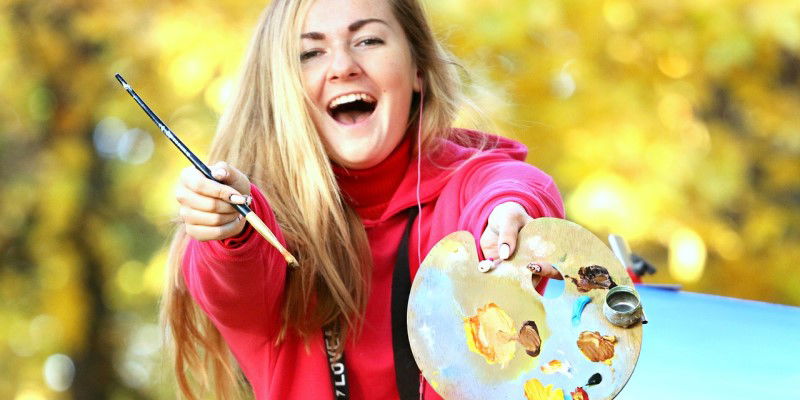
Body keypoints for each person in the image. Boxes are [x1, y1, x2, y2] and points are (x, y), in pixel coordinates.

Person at [162, 0, 565, 399]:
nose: (343, 66)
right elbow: (233, 281)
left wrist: (509, 213)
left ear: (418, 68)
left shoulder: (465, 188)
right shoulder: (267, 230)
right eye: (310, 53)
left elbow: (510, 185)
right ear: (280, 91)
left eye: (368, 40)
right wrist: (231, 229)